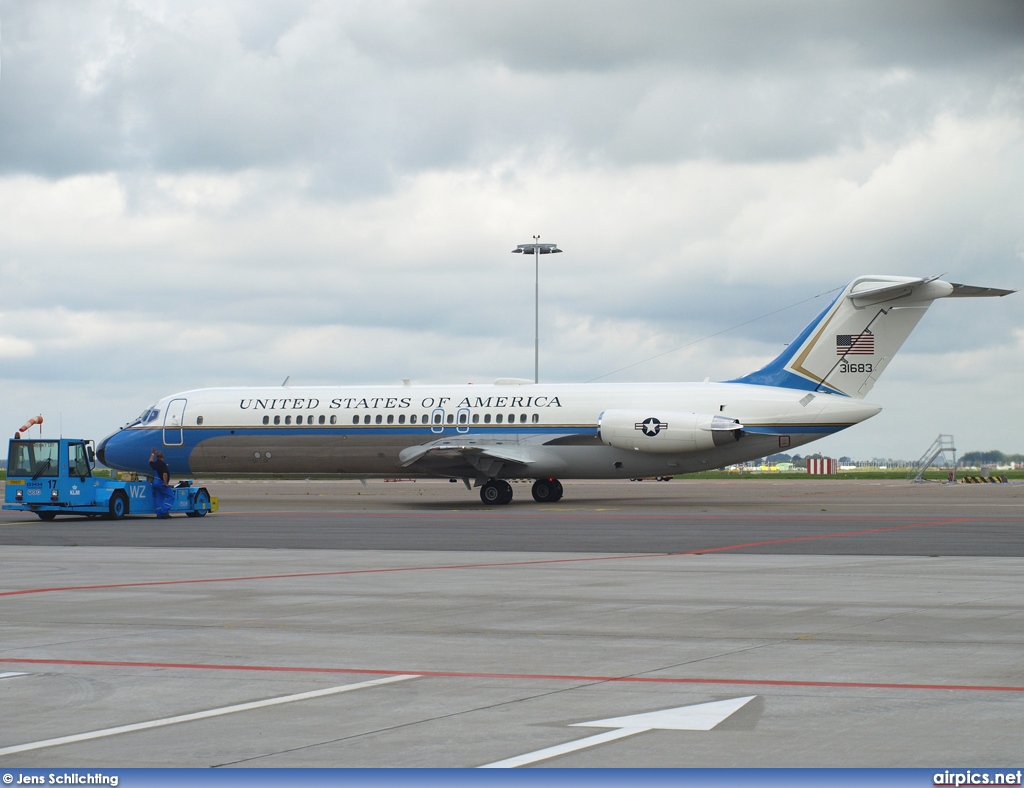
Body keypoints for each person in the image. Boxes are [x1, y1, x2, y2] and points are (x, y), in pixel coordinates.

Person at [149, 449, 173, 518]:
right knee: (171, 496)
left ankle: (159, 514)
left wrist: (152, 454)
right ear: (163, 457)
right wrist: (165, 483)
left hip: (155, 482)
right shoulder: (163, 465)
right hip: (160, 482)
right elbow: (164, 474)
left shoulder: (154, 464)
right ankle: (164, 511)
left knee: (159, 498)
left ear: (157, 457)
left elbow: (150, 461)